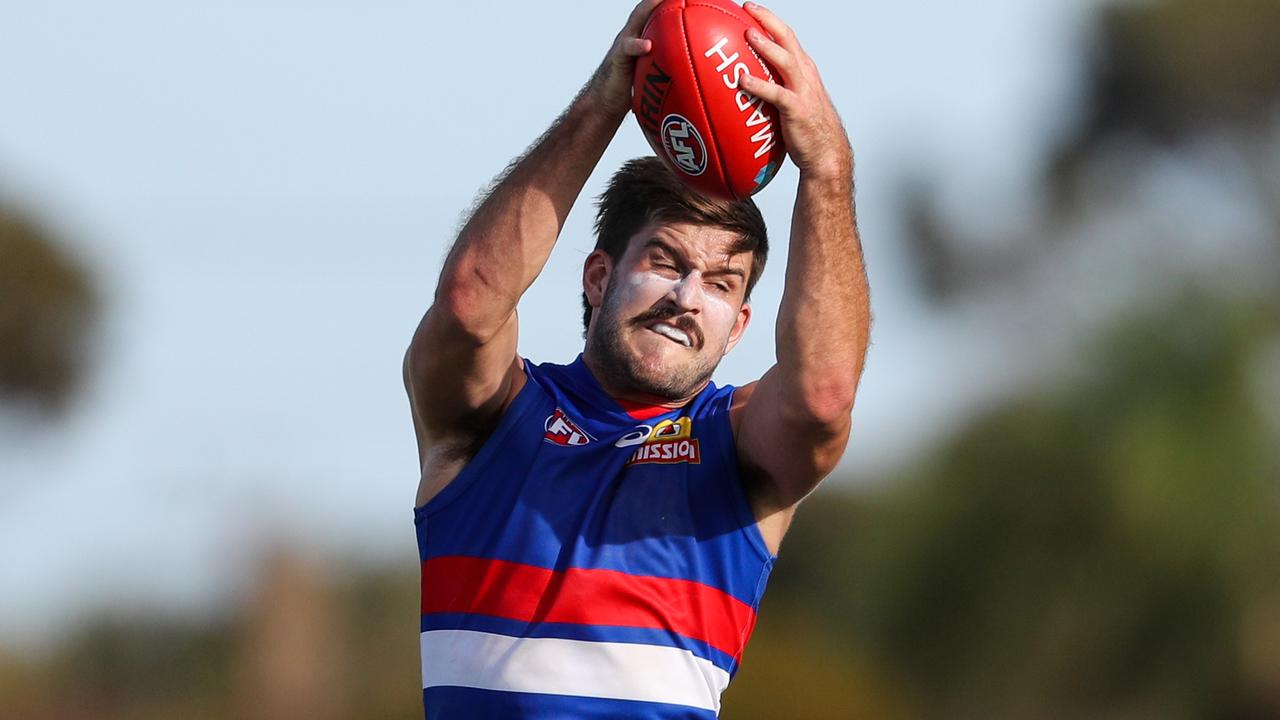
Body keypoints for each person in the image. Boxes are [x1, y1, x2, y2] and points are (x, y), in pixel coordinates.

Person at [404, 1, 869, 717]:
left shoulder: (735, 447)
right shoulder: (496, 418)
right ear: (597, 277)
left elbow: (823, 395)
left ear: (740, 325)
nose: (687, 296)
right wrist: (602, 104)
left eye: (720, 283)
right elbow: (470, 303)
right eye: (665, 261)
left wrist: (828, 170)